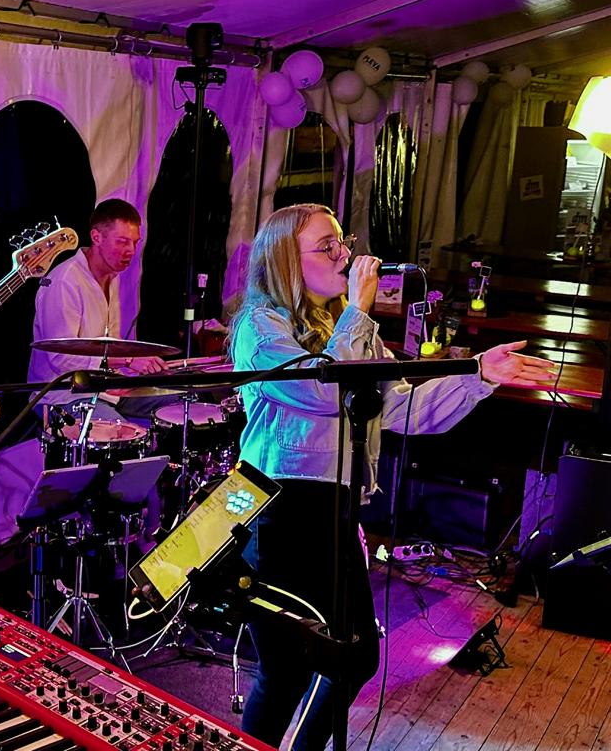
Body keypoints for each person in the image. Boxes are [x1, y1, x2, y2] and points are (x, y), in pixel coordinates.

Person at [229, 203, 556, 750]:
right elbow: (322, 391)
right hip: (279, 508)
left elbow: (405, 408)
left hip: (333, 508)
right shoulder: (260, 328)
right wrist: (359, 309)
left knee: (353, 654)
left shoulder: (346, 327)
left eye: (343, 241)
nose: (345, 255)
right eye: (327, 246)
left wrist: (478, 375)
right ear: (286, 259)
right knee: (287, 666)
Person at [27, 198, 168, 424]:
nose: (131, 251)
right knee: (118, 435)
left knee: (179, 403)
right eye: (122, 242)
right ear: (96, 237)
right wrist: (129, 360)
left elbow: (107, 346)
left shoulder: (112, 277)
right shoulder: (65, 281)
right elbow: (62, 359)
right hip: (63, 396)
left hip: (103, 389)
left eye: (134, 242)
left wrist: (120, 375)